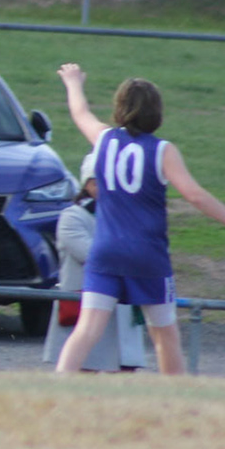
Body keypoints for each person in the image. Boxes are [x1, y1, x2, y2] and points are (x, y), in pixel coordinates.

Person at [51, 63, 225, 377]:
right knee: (165, 335)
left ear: (120, 109)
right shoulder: (163, 150)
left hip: (106, 251)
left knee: (88, 328)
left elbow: (80, 112)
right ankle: (173, 395)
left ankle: (58, 388)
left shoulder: (104, 139)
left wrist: (73, 82)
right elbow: (195, 195)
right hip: (147, 256)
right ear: (156, 112)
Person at [41, 150, 146, 371]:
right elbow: (94, 257)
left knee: (125, 375)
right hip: (85, 305)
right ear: (89, 184)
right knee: (83, 370)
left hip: (123, 306)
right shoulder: (72, 217)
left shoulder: (128, 216)